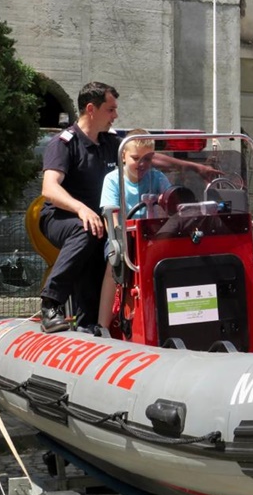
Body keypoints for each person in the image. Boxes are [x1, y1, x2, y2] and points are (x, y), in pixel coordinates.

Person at [39, 81, 121, 333]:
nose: (115, 116)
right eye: (110, 109)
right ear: (91, 109)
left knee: (99, 247)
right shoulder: (64, 143)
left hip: (96, 223)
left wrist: (195, 167)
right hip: (59, 218)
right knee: (86, 230)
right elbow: (49, 188)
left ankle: (90, 327)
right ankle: (50, 304)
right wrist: (81, 209)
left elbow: (143, 156)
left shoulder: (110, 143)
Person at [97, 129, 171, 329]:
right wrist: (119, 238)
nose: (142, 164)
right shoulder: (113, 180)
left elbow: (172, 201)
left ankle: (165, 319)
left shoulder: (157, 178)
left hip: (153, 237)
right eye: (136, 158)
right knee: (114, 264)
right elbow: (110, 215)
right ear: (123, 156)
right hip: (123, 237)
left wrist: (169, 200)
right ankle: (103, 324)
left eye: (148, 159)